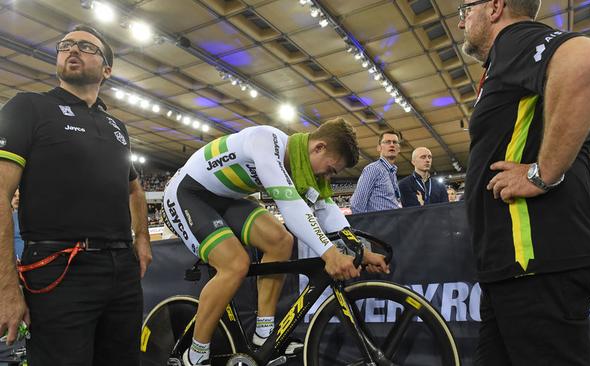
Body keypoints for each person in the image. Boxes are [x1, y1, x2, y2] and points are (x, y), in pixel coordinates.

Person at [459, 0, 590, 365]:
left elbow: (586, 57)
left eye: (467, 8)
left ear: (495, 7)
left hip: (535, 262)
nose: (462, 20)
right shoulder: (503, 58)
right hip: (513, 268)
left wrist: (541, 174)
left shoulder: (516, 38)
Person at [161, 117, 389, 365]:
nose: (328, 175)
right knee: (235, 264)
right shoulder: (266, 141)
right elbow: (291, 206)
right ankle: (194, 356)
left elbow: (326, 208)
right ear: (319, 147)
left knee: (281, 241)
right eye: (331, 169)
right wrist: (329, 253)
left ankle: (264, 335)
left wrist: (358, 248)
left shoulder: (303, 166)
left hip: (227, 198)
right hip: (188, 194)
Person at [0, 25, 152, 366]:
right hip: (59, 271)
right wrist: (6, 288)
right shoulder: (29, 107)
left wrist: (142, 236)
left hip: (121, 272)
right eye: (66, 45)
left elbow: (134, 186)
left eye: (86, 47)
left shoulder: (117, 127)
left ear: (107, 69)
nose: (73, 50)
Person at [349, 131, 402, 213]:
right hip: (379, 224)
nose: (392, 145)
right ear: (379, 148)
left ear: (398, 149)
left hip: (392, 223)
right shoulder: (373, 169)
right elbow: (356, 204)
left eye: (395, 142)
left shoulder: (392, 171)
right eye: (387, 142)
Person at [11, 189, 23, 259]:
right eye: (14, 196)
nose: (17, 198)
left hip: (29, 262)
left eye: (20, 196)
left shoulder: (31, 217)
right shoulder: (5, 219)